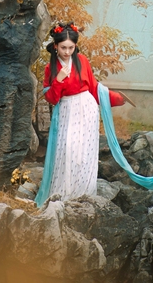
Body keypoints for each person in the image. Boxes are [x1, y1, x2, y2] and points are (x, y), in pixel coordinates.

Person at [38, 22, 128, 202]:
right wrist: (59, 80)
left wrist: (116, 99)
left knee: (84, 153)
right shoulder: (51, 68)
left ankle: (83, 193)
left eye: (71, 47)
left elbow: (94, 88)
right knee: (67, 149)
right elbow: (52, 98)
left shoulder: (82, 61)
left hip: (86, 109)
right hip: (66, 110)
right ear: (55, 46)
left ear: (75, 46)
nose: (67, 52)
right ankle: (63, 194)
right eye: (63, 47)